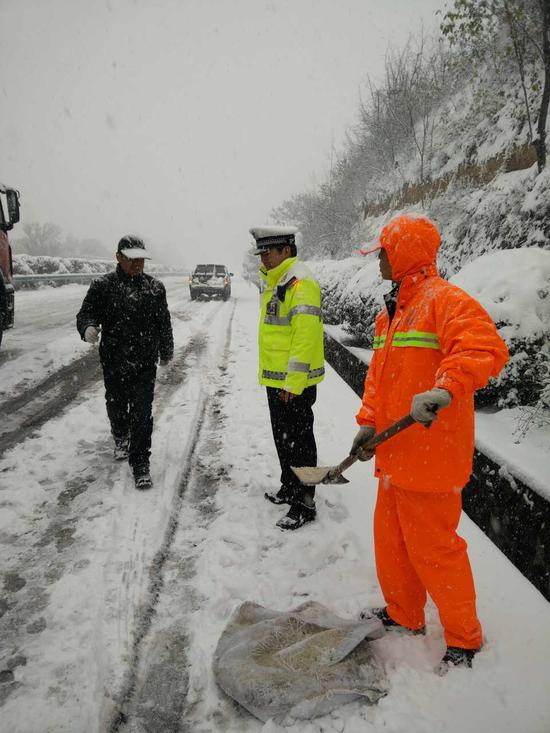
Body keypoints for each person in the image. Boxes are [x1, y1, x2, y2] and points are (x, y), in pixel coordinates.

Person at [350, 214, 508, 673]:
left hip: (432, 458)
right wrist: (366, 423)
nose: (378, 260)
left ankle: (464, 639)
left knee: (435, 552)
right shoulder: (392, 312)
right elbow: (379, 380)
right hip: (394, 456)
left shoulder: (446, 301)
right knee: (393, 544)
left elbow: (484, 349)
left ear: (401, 254)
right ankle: (403, 614)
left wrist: (445, 388)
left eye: (381, 252)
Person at [76, 235, 173, 490]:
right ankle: (120, 435)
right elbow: (86, 313)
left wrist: (167, 349)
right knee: (117, 404)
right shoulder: (103, 286)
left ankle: (140, 462)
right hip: (114, 359)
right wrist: (86, 327)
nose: (137, 264)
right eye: (132, 259)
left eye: (141, 259)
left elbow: (163, 321)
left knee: (142, 413)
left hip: (144, 362)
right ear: (118, 257)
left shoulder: (154, 288)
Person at [250, 225, 325, 530]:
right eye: (262, 252)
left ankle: (305, 501)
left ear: (286, 250)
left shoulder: (301, 283)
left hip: (294, 383)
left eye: (268, 251)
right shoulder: (277, 280)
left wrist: (293, 383)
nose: (264, 257)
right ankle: (289, 486)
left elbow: (305, 337)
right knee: (284, 439)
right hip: (277, 380)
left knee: (300, 442)